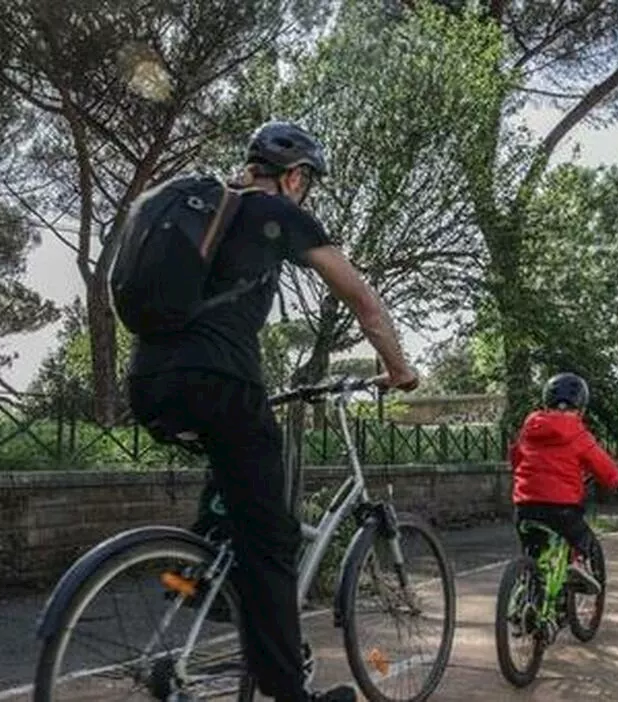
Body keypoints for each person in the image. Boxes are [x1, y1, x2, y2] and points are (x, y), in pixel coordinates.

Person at [126, 121, 417, 702]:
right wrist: (398, 368)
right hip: (220, 380)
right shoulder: (278, 211)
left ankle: (194, 579)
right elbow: (361, 300)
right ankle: (288, 689)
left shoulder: (204, 207)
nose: (304, 191)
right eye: (306, 182)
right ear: (293, 176)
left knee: (236, 484)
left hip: (149, 380)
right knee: (273, 538)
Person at [509, 373, 618, 594]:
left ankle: (526, 597)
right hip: (561, 508)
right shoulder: (577, 433)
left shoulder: (529, 429)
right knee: (582, 538)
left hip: (525, 505)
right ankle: (576, 565)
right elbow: (603, 466)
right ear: (582, 406)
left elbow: (516, 459)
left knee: (533, 553)